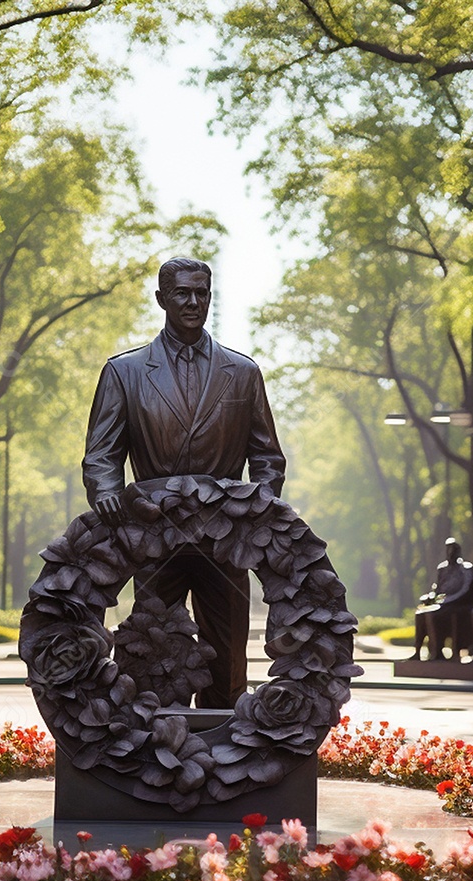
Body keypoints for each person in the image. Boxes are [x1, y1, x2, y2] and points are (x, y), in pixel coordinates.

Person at [82, 256, 286, 708]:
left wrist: (258, 510)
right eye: (182, 293)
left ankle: (224, 747)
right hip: (157, 535)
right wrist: (109, 494)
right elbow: (101, 455)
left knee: (229, 652)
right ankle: (156, 751)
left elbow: (267, 456)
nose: (193, 301)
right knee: (152, 648)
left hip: (224, 539)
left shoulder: (243, 372)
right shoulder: (126, 372)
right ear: (161, 299)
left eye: (202, 293)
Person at [408, 537, 473, 661]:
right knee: (420, 613)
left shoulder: (466, 568)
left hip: (460, 604)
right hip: (443, 603)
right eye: (448, 550)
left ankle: (437, 651)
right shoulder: (443, 568)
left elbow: (466, 589)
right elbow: (438, 587)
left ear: (458, 552)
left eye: (453, 550)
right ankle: (417, 651)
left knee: (432, 614)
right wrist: (432, 596)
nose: (450, 553)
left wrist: (448, 600)